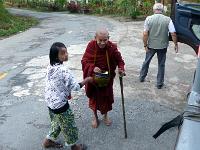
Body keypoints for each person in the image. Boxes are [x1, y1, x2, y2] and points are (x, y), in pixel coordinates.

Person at [43, 42, 92, 150]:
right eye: (63, 53)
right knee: (69, 125)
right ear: (56, 56)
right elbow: (75, 87)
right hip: (61, 105)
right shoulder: (64, 70)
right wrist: (87, 80)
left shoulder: (50, 66)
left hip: (51, 103)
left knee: (56, 122)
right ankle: (74, 147)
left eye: (66, 52)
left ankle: (48, 141)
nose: (66, 55)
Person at [81, 28, 125, 128]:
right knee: (94, 98)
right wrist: (92, 68)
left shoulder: (112, 47)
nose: (102, 43)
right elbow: (84, 60)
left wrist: (121, 69)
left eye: (105, 40)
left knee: (106, 98)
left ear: (108, 38)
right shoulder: (91, 46)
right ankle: (95, 117)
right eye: (100, 40)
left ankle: (105, 116)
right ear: (95, 38)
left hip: (107, 78)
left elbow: (120, 60)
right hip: (93, 78)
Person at [139, 3, 178, 89]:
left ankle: (141, 77)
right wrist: (176, 44)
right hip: (162, 46)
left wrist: (145, 45)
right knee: (161, 64)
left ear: (154, 10)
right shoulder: (168, 19)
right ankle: (159, 83)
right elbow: (173, 33)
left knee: (146, 61)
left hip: (151, 45)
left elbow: (145, 34)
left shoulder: (148, 19)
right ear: (162, 10)